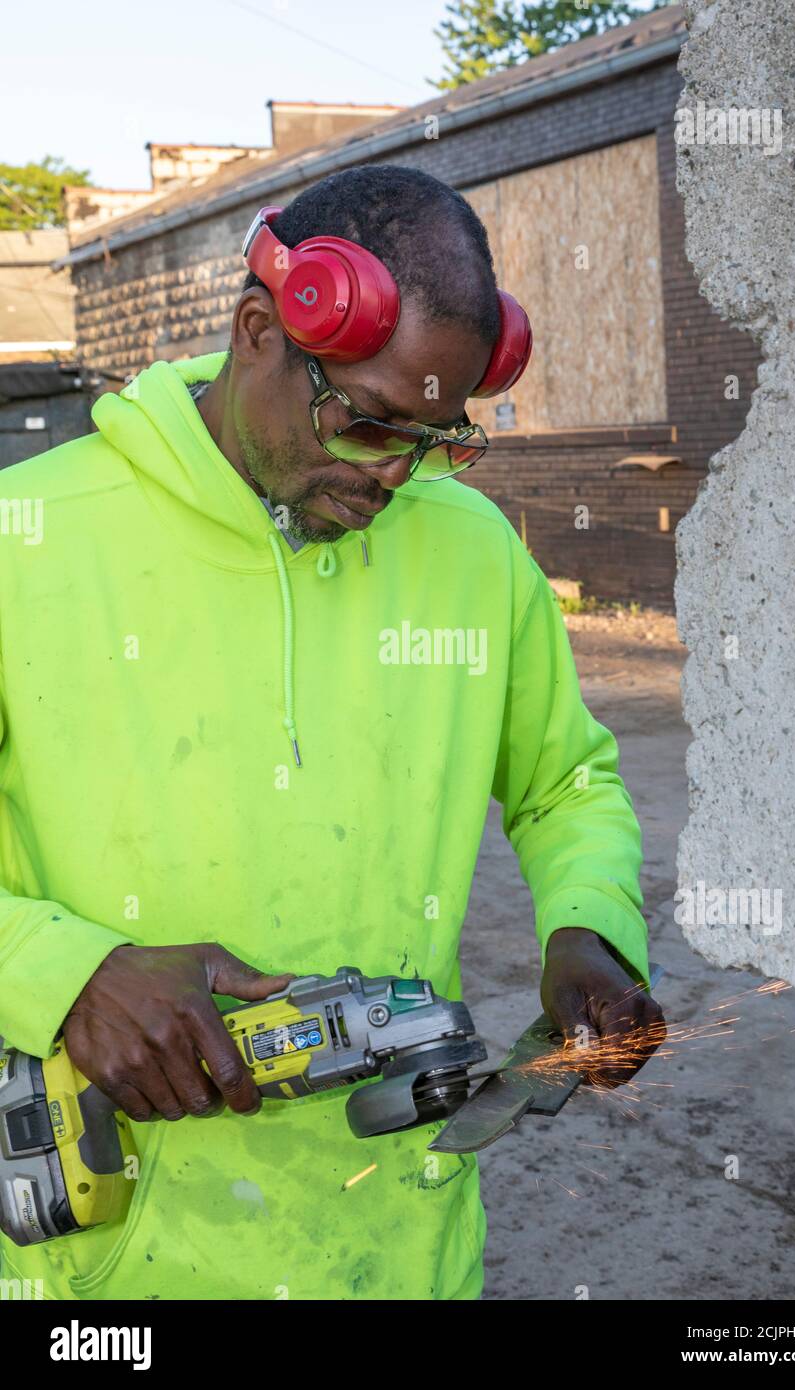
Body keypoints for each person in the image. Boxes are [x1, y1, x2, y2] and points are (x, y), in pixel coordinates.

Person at [0, 164, 664, 1300]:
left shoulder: (469, 550)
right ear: (259, 329)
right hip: (107, 1272)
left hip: (395, 1247)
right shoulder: (31, 541)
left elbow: (564, 782)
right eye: (366, 424)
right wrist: (64, 974)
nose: (393, 476)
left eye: (434, 438)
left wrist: (587, 927)